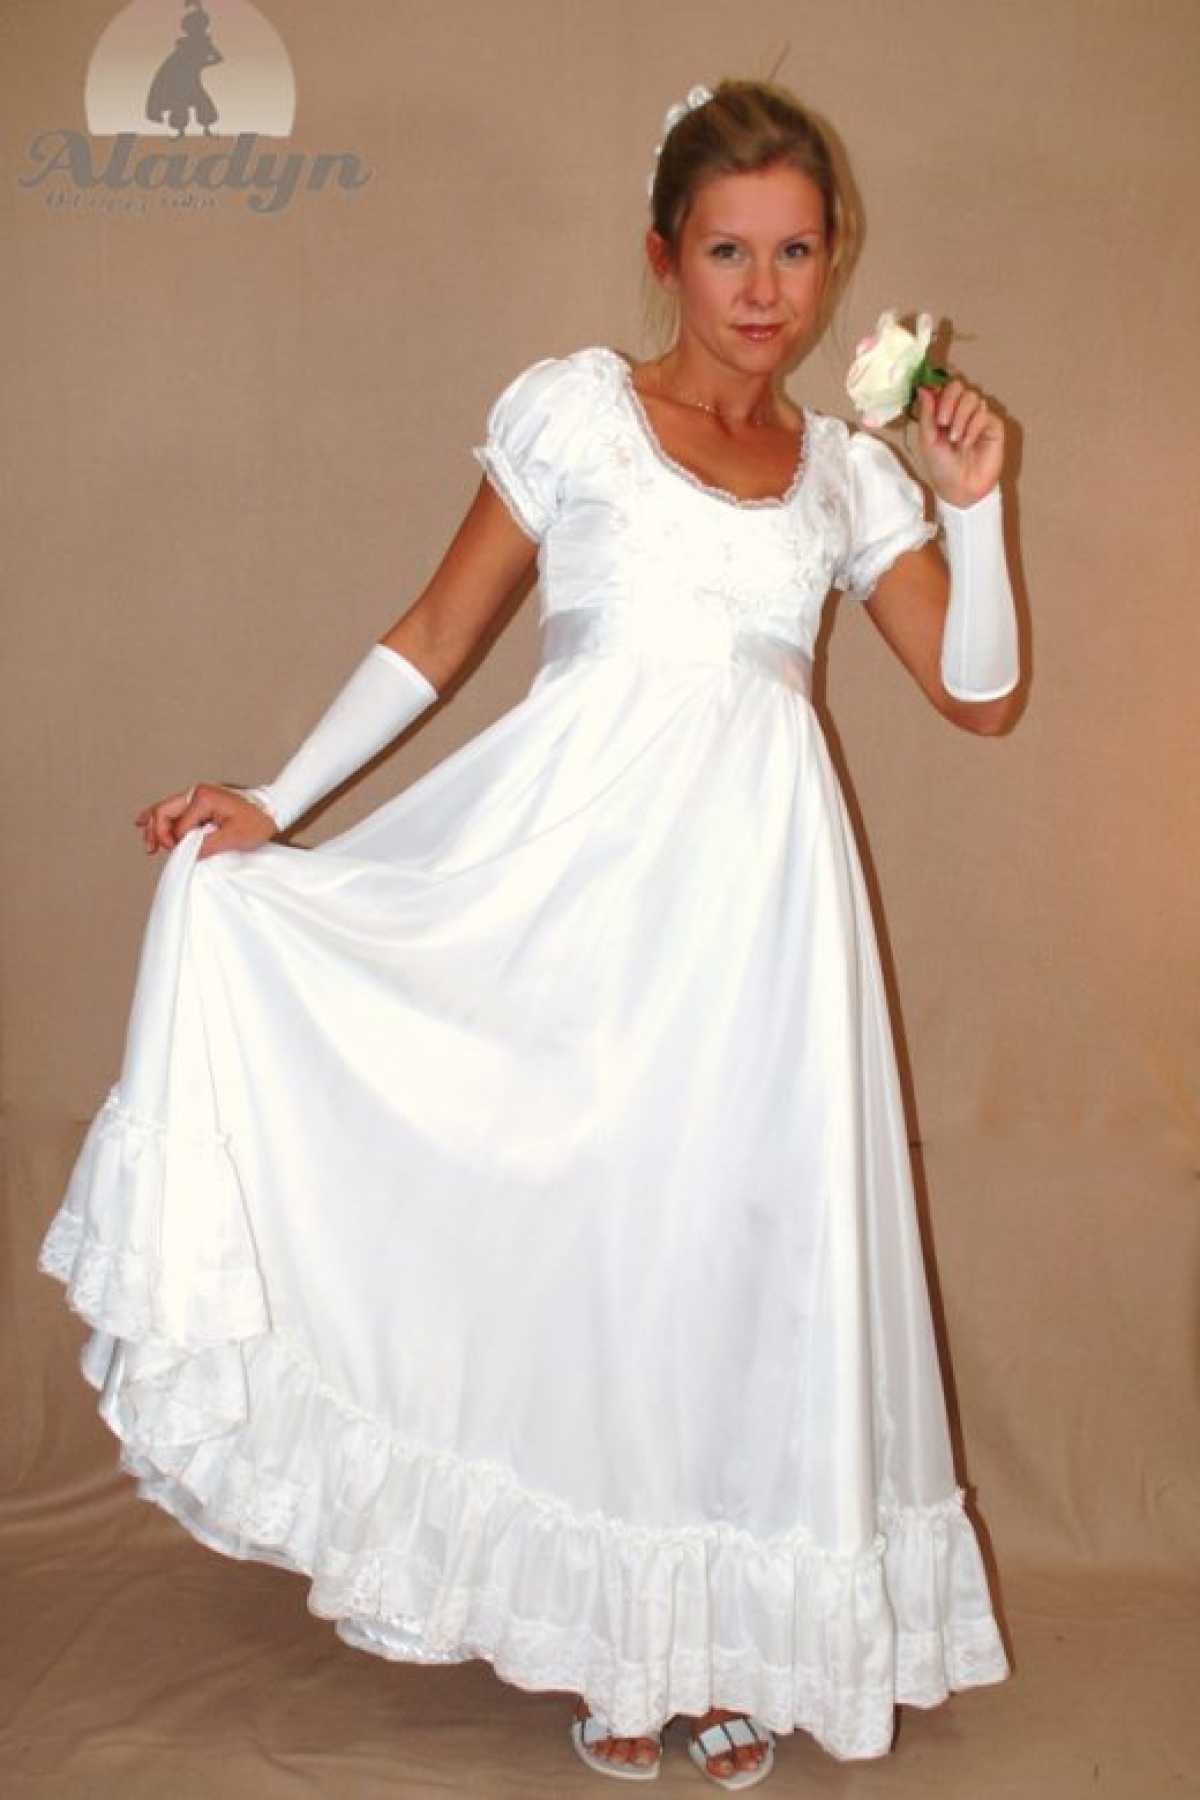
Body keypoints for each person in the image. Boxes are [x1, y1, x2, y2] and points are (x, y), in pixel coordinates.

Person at [40, 78, 1019, 1792]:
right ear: (664, 253)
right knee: (596, 1244)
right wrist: (274, 797)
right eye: (728, 250)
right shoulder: (578, 414)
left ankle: (705, 1641)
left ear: (833, 261)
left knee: (727, 1257)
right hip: (568, 898)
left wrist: (977, 505)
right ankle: (610, 1645)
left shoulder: (845, 478)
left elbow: (981, 693)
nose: (765, 289)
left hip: (762, 926)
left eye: (797, 252)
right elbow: (437, 632)